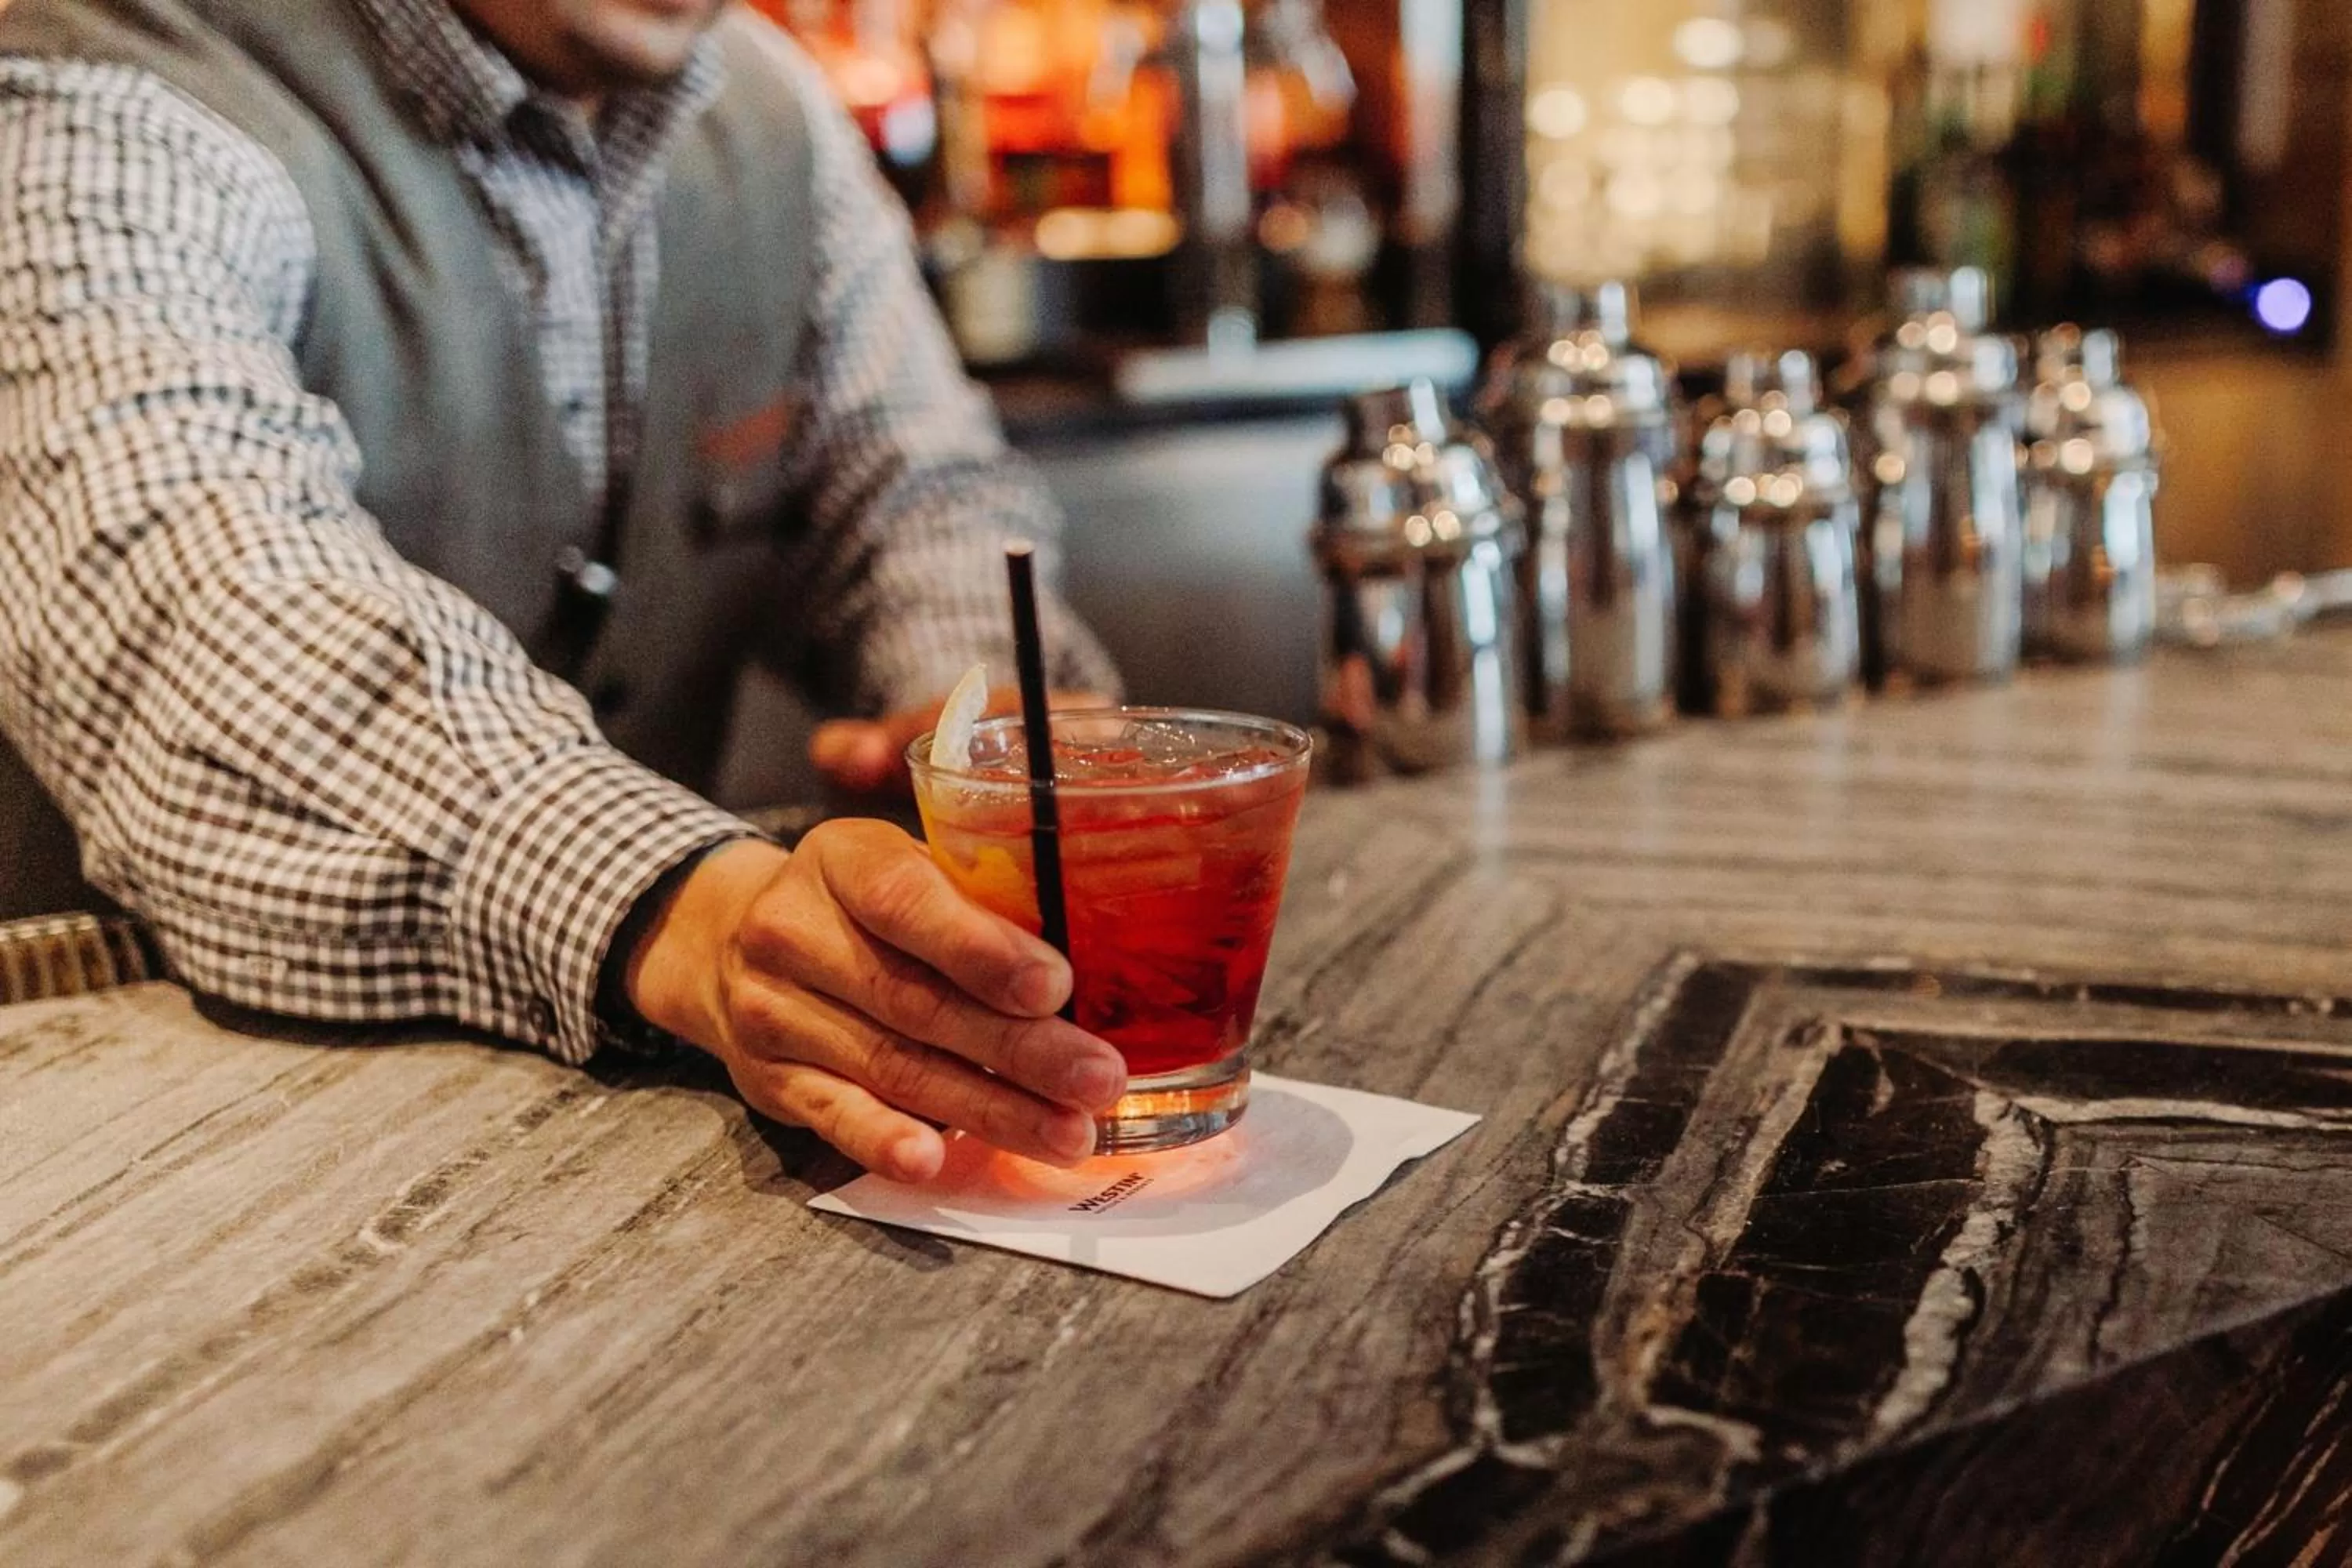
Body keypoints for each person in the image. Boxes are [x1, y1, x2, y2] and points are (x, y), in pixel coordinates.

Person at [0, 0, 1134, 1183]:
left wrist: (973, 715)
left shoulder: (769, 103)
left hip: (631, 1176)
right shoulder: (106, 99)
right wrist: (676, 909)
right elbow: (200, 605)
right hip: (134, 1168)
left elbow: (908, 493)